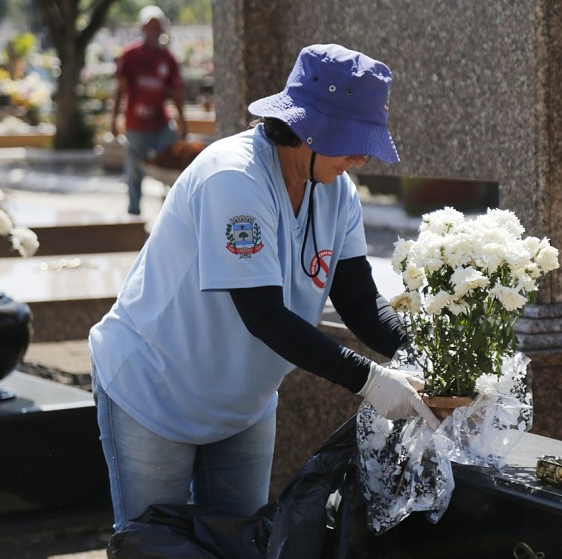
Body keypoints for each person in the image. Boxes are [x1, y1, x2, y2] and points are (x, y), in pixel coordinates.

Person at [89, 43, 439, 532]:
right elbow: (263, 316)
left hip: (243, 404)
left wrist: (431, 358)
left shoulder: (336, 192)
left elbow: (360, 302)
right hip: (155, 392)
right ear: (309, 128)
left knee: (245, 543)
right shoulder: (234, 178)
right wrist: (373, 383)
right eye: (353, 139)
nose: (361, 157)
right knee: (154, 545)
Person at [111, 5, 188, 216]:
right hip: (137, 123)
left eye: (157, 27)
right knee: (135, 168)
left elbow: (176, 92)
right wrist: (114, 120)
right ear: (142, 28)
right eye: (149, 27)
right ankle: (134, 213)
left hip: (161, 122)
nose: (153, 31)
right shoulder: (130, 56)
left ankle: (172, 212)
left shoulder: (168, 59)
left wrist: (182, 122)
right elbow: (120, 90)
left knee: (171, 163)